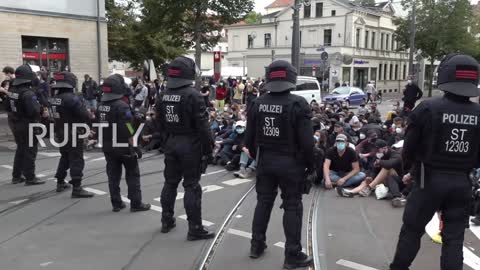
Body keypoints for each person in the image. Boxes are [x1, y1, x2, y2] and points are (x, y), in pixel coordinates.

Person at [390, 54, 480, 270]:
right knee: (454, 238)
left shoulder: (427, 108)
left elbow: (408, 148)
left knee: (412, 230)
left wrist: (411, 171)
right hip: (461, 182)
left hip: (427, 180)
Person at [245, 60, 314, 268]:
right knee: (292, 206)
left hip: (265, 161)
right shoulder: (298, 103)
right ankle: (292, 255)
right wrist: (310, 167)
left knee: (263, 202)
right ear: (291, 78)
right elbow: (308, 143)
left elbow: (248, 140)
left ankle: (256, 245)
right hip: (291, 163)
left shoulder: (257, 103)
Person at [155, 56, 215, 240]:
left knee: (170, 183)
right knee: (191, 186)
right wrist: (208, 149)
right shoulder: (193, 95)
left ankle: (166, 220)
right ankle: (195, 227)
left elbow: (160, 123)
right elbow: (203, 127)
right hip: (190, 144)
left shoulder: (162, 94)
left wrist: (166, 142)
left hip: (172, 143)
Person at [97, 74, 151, 212]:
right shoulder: (121, 106)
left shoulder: (101, 105)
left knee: (113, 175)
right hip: (123, 145)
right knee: (132, 174)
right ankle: (136, 203)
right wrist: (134, 146)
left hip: (108, 144)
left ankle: (116, 203)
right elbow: (127, 128)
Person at [50, 72, 95, 197]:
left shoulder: (54, 98)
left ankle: (60, 181)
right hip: (73, 131)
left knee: (65, 156)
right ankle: (77, 187)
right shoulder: (72, 98)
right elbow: (84, 115)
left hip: (60, 130)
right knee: (76, 158)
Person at [6, 65, 44, 185]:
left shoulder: (12, 91)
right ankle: (30, 177)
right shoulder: (28, 93)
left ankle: (16, 176)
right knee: (30, 151)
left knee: (21, 149)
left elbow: (7, 107)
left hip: (16, 123)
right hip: (28, 124)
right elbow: (34, 110)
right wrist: (40, 108)